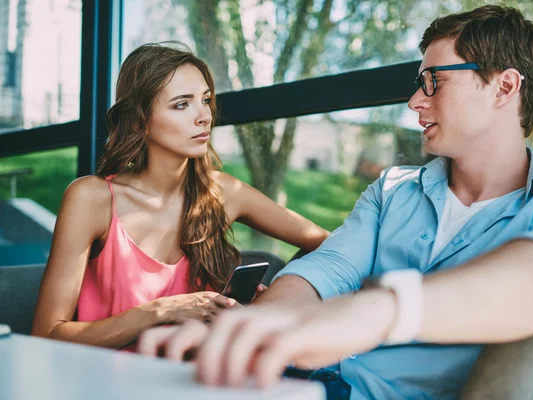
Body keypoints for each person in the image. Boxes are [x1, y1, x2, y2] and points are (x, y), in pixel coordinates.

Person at [138, 6, 533, 400]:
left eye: (433, 81)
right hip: (292, 382)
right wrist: (250, 331)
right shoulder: (394, 189)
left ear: (504, 87)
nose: (416, 101)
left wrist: (377, 312)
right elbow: (327, 268)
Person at [31, 42, 329, 350]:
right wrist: (162, 310)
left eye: (205, 100)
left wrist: (276, 298)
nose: (204, 117)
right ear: (138, 121)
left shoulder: (222, 192)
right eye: (182, 104)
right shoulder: (91, 199)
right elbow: (46, 334)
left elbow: (332, 243)